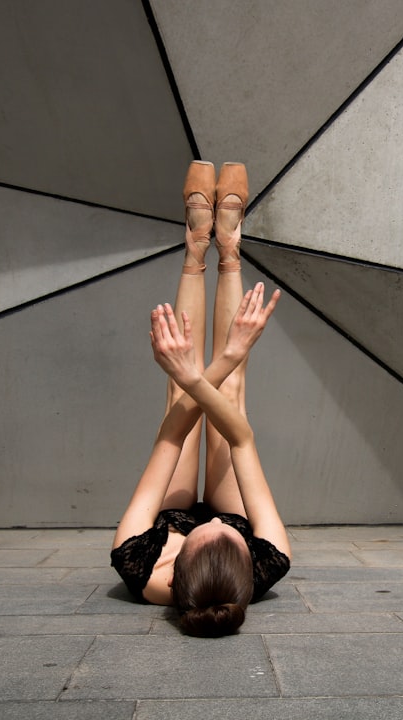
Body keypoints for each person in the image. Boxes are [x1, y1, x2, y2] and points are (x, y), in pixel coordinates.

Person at [110, 161, 292, 637]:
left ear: (175, 562)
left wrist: (186, 375)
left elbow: (170, 437)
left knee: (179, 400)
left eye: (195, 535)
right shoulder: (268, 558)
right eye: (229, 532)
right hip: (233, 509)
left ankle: (195, 249)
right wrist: (232, 355)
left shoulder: (137, 559)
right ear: (246, 555)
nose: (203, 522)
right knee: (229, 391)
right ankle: (230, 249)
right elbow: (241, 439)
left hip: (164, 522)